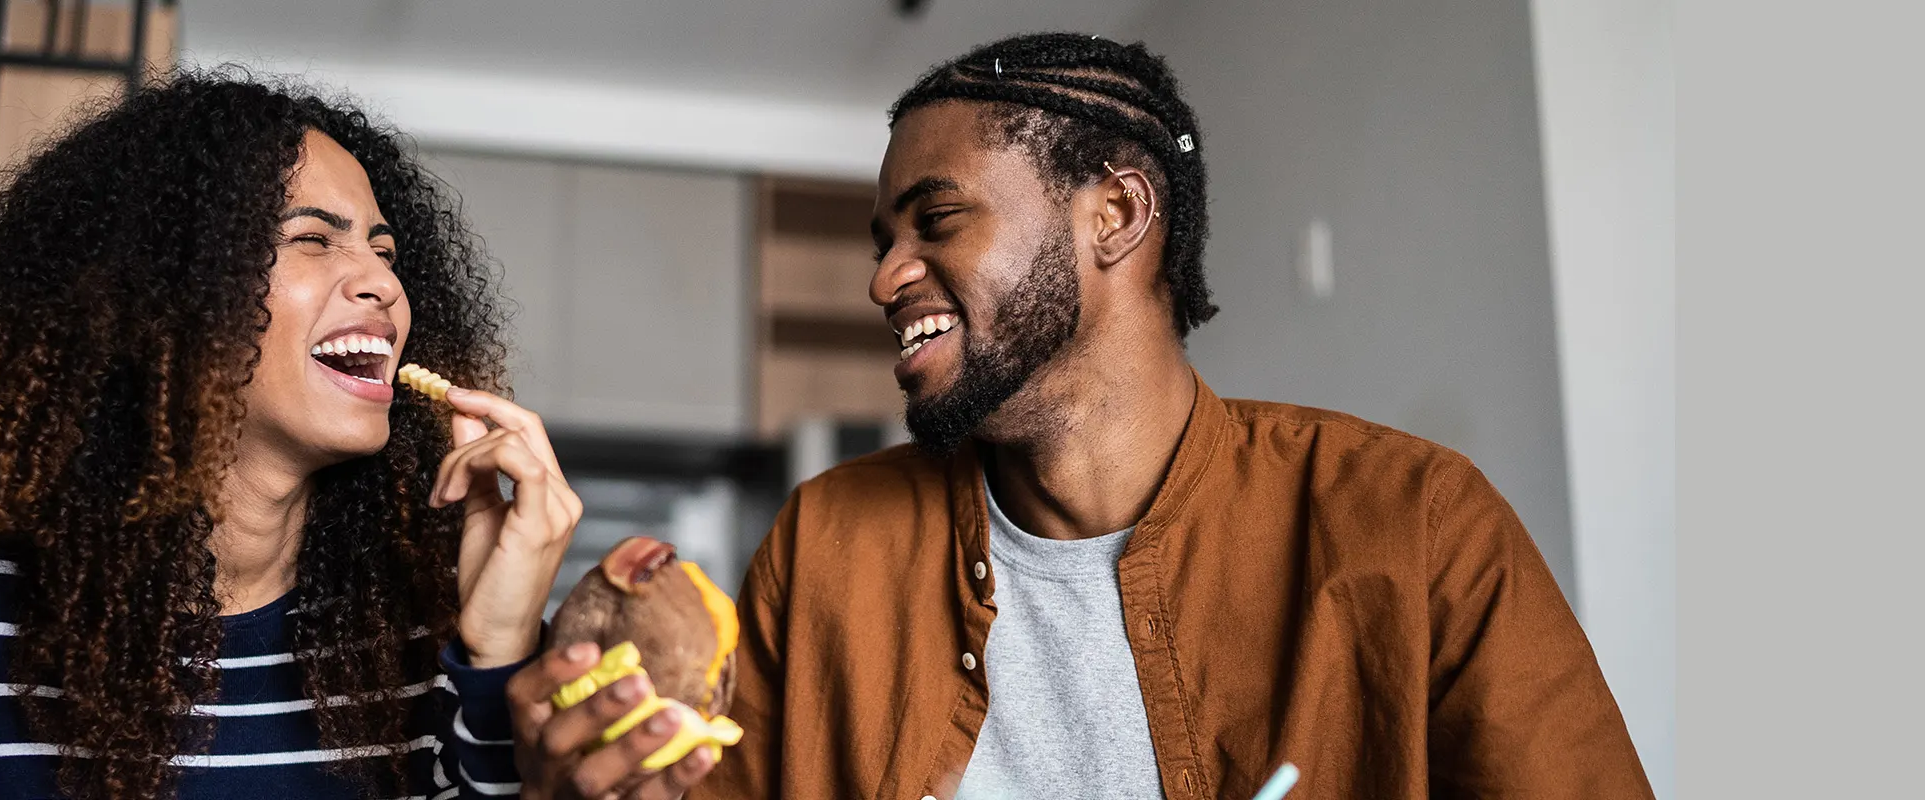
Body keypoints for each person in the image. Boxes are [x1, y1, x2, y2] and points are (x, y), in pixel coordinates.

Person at [515, 33, 1652, 800]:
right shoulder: (827, 546)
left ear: (1115, 213)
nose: (884, 278)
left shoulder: (1412, 523)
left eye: (935, 220)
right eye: (881, 243)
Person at [0, 73, 687, 800]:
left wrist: (498, 650)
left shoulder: (422, 618)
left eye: (387, 253)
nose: (383, 283)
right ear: (171, 300)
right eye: (313, 239)